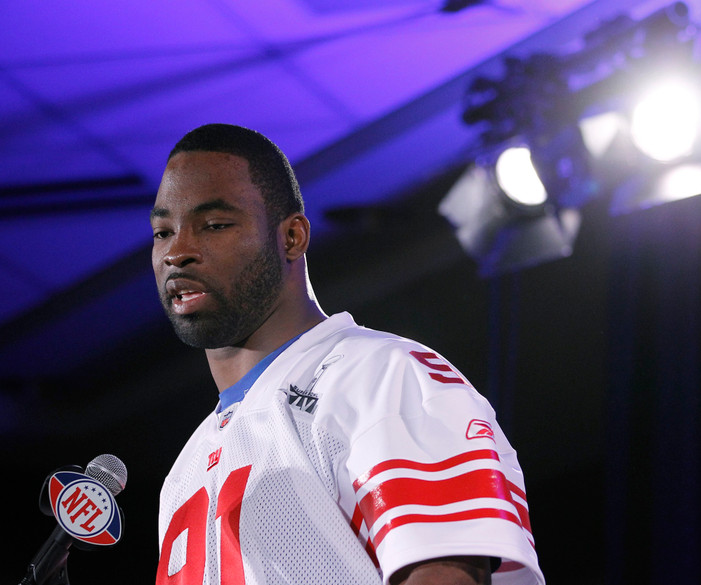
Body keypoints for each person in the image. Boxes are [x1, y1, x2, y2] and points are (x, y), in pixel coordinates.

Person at [150, 123, 543, 585]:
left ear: (292, 237)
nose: (178, 251)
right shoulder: (184, 470)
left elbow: (444, 574)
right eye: (162, 231)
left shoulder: (381, 375)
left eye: (214, 225)